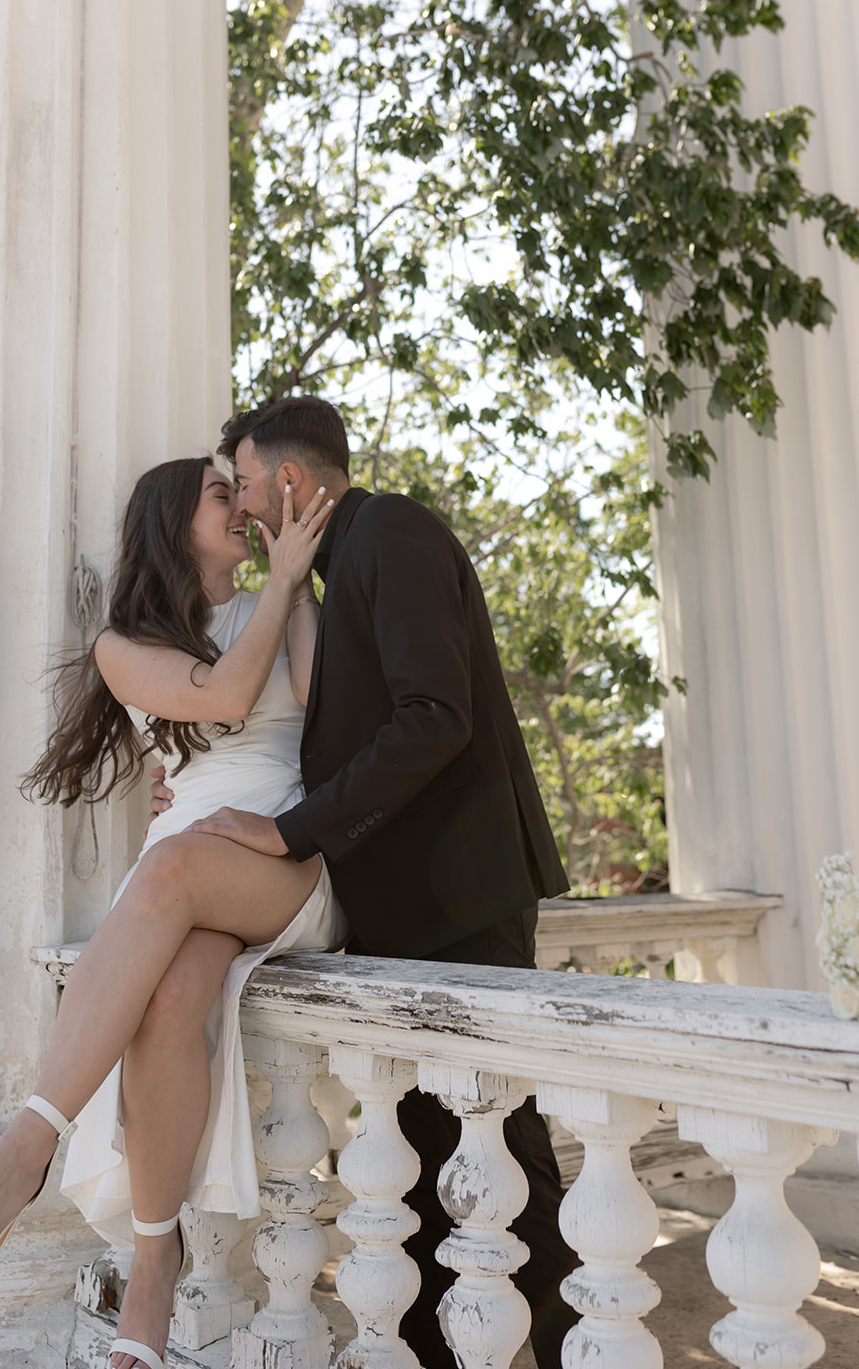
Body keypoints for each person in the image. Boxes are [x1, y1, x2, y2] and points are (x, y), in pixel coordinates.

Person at [158, 396, 580, 1369]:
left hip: (459, 896)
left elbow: (433, 715)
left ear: (292, 480)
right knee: (435, 1161)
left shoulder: (390, 530)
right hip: (399, 909)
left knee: (497, 1145)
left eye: (248, 480)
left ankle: (565, 1347)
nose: (245, 501)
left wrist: (289, 830)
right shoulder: (331, 572)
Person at [0, 455, 346, 1369]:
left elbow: (309, 703)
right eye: (222, 495)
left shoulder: (287, 607)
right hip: (185, 875)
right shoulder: (122, 647)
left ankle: (24, 1151)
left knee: (172, 865)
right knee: (173, 1000)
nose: (244, 505)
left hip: (282, 861)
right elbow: (214, 695)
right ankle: (155, 1262)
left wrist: (291, 584)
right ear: (170, 522)